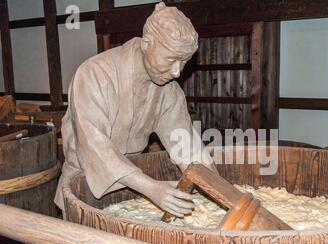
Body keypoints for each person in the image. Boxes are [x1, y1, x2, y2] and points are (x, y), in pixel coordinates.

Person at [55, 2, 215, 218]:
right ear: (147, 43)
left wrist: (217, 190)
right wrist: (151, 188)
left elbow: (186, 145)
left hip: (133, 189)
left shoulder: (169, 91)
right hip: (84, 185)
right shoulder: (95, 74)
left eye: (184, 61)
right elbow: (95, 147)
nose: (177, 71)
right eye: (170, 60)